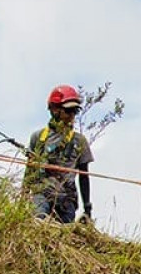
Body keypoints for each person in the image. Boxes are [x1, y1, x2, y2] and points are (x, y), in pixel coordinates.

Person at [24, 85, 93, 223]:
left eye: (75, 111)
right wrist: (23, 196)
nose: (72, 116)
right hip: (42, 193)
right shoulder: (39, 138)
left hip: (66, 199)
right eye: (68, 111)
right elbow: (29, 170)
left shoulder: (79, 141)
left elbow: (84, 176)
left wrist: (87, 207)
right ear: (55, 110)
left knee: (63, 237)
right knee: (39, 224)